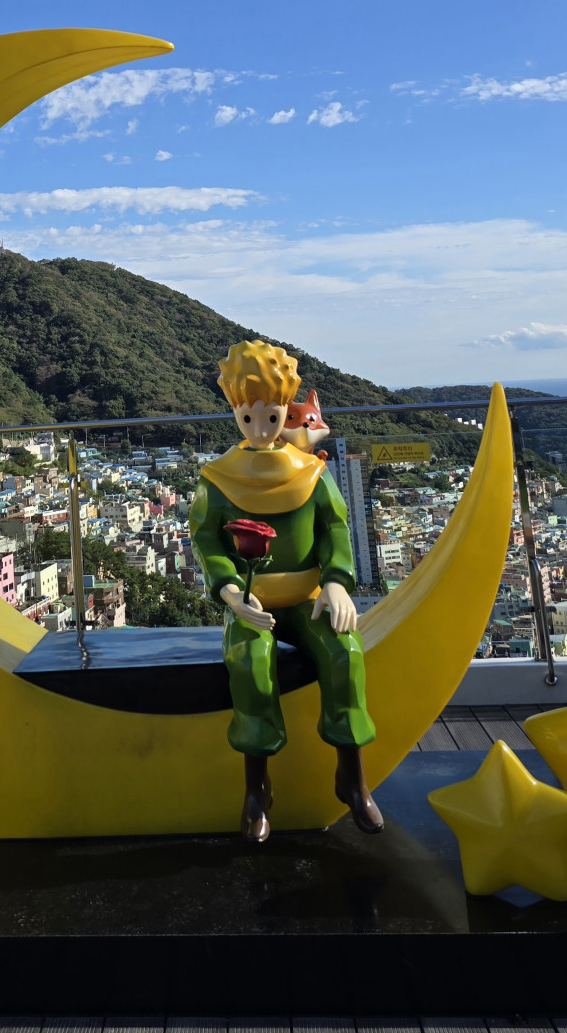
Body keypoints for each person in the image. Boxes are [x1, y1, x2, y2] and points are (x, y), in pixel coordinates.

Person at [190, 339, 382, 841]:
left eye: (272, 417)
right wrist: (232, 593)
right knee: (252, 662)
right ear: (236, 414)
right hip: (250, 602)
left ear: (284, 413)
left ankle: (353, 776)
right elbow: (206, 539)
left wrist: (336, 582)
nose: (260, 429)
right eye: (248, 418)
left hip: (306, 598)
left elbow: (335, 528)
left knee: (344, 651)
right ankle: (257, 788)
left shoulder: (312, 474)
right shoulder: (218, 479)